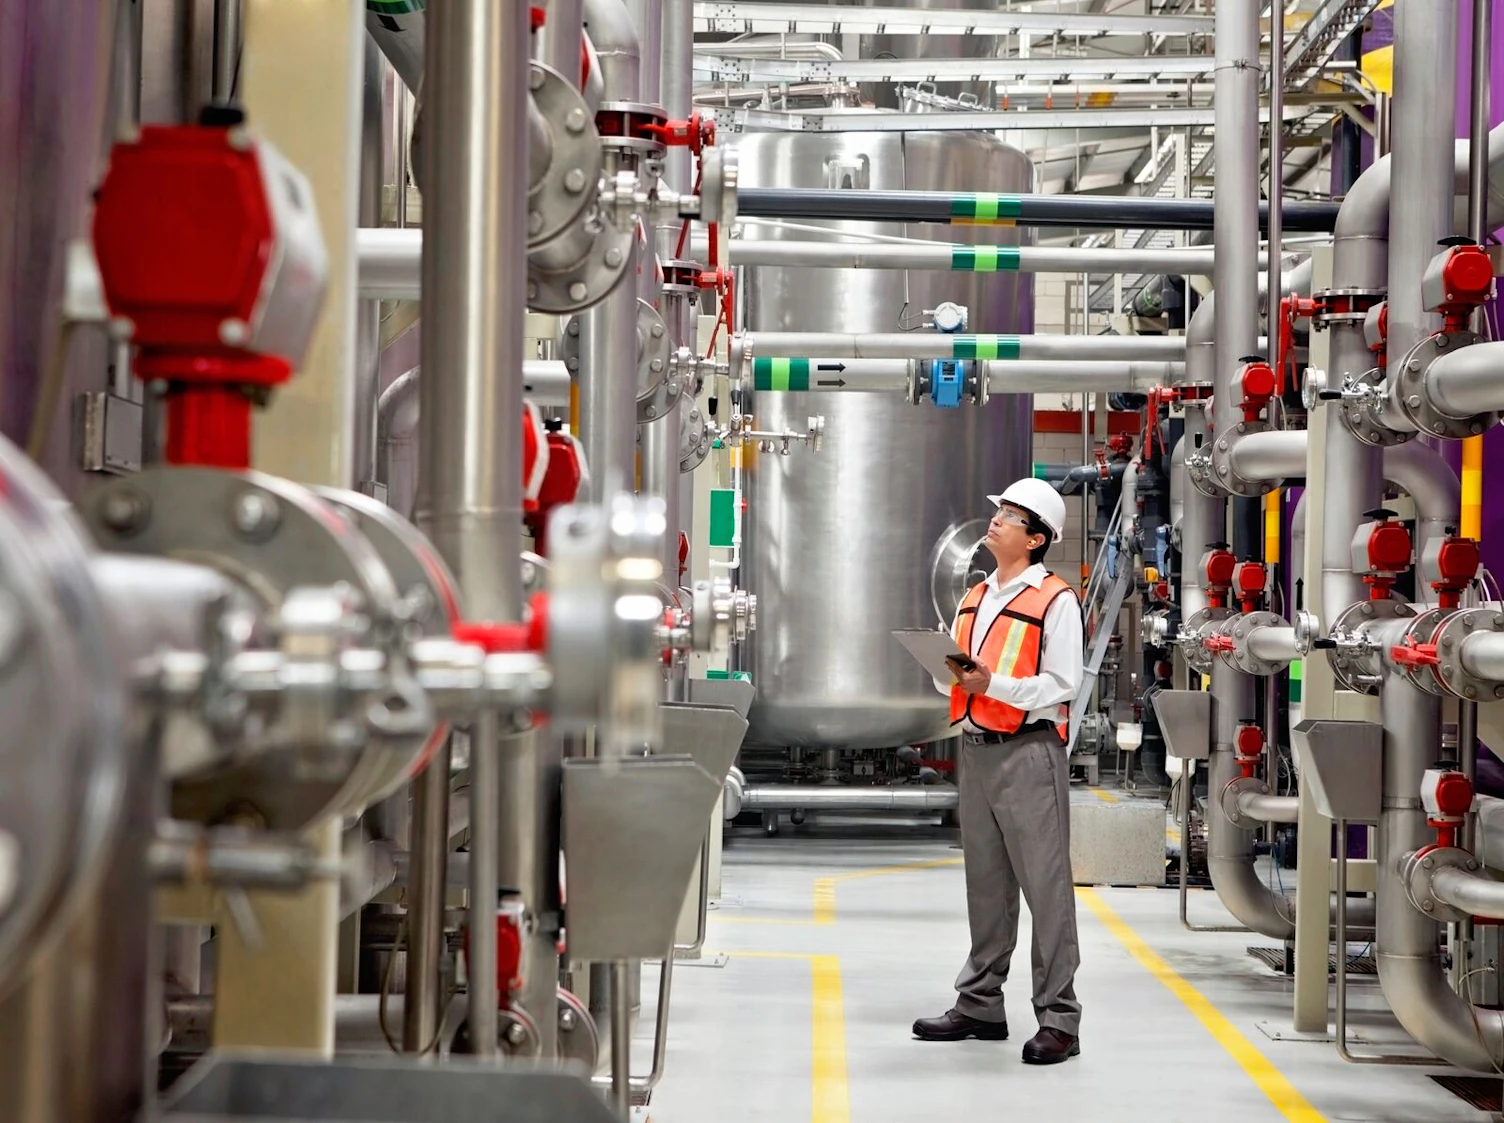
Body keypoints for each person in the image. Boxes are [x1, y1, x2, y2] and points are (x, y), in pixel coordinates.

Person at [912, 477, 1085, 1065]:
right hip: (977, 749)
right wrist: (945, 671)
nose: (997, 521)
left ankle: (1060, 1018)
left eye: (1010, 516)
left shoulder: (1055, 601)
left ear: (1036, 538)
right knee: (986, 884)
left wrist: (994, 684)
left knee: (1046, 888)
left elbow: (1062, 685)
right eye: (999, 512)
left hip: (1030, 752)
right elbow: (958, 677)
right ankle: (981, 1002)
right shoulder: (976, 595)